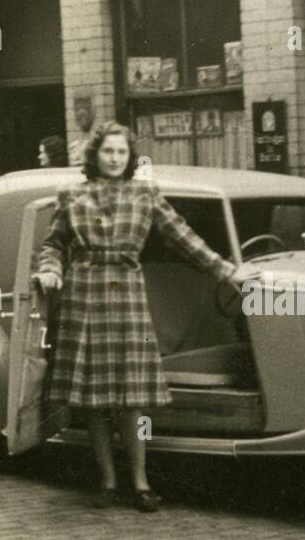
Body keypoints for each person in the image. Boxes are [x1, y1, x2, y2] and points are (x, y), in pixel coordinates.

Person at [32, 122, 247, 512]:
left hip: (128, 296)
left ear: (130, 158)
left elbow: (185, 239)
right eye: (107, 151)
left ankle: (141, 482)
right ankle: (108, 482)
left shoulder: (146, 194)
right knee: (94, 399)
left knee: (134, 399)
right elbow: (53, 244)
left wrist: (227, 270)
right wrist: (52, 270)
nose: (114, 159)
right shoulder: (71, 195)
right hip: (84, 295)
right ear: (94, 155)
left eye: (121, 152)